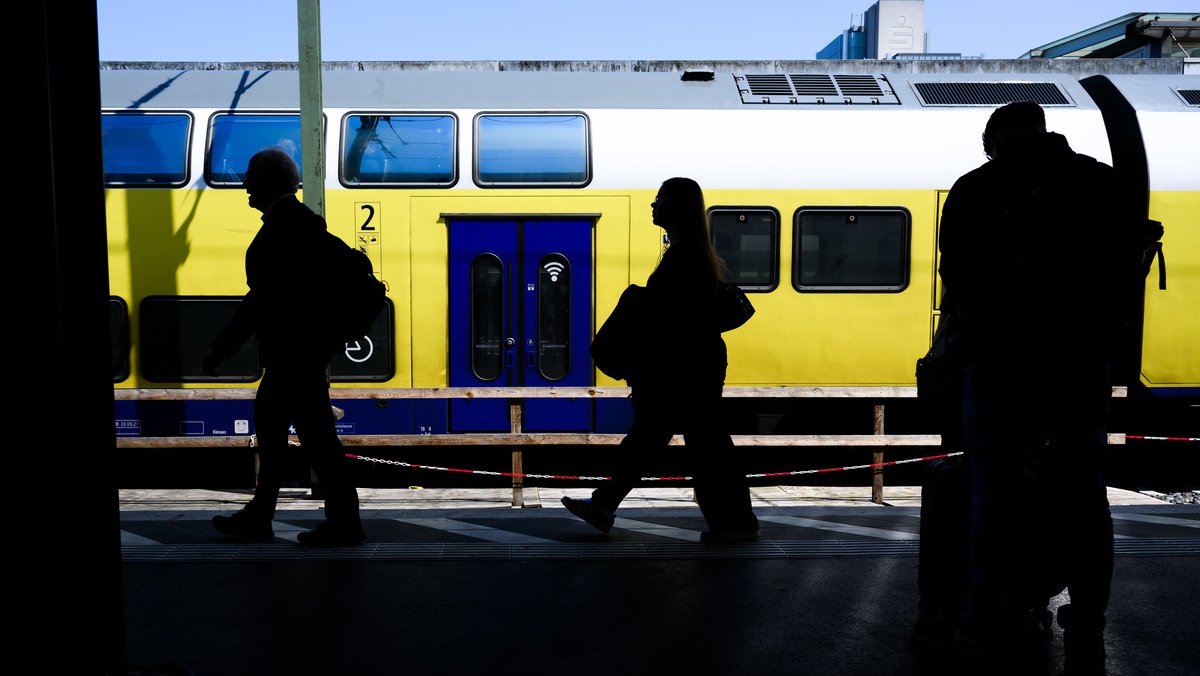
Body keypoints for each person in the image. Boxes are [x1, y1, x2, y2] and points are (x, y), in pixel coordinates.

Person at [937, 102, 1146, 672]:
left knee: (994, 495)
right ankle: (1087, 625)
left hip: (1000, 362)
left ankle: (987, 618)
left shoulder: (975, 189)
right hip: (1080, 363)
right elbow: (1129, 272)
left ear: (996, 140)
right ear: (1045, 132)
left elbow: (956, 280)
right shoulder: (1101, 183)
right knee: (1083, 493)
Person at [562, 177, 760, 542]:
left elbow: (669, 319)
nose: (653, 206)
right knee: (682, 443)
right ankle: (607, 506)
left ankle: (735, 524)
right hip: (691, 367)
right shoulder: (690, 252)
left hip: (683, 370)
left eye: (660, 200)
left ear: (677, 208)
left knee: (699, 448)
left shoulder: (685, 257)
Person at [203, 147, 364, 546]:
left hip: (292, 358)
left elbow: (259, 302)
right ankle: (280, 516)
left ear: (270, 183)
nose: (245, 185)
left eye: (252, 178)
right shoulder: (301, 223)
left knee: (304, 440)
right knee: (297, 438)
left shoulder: (283, 230)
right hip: (302, 356)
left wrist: (221, 350)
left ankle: (335, 523)